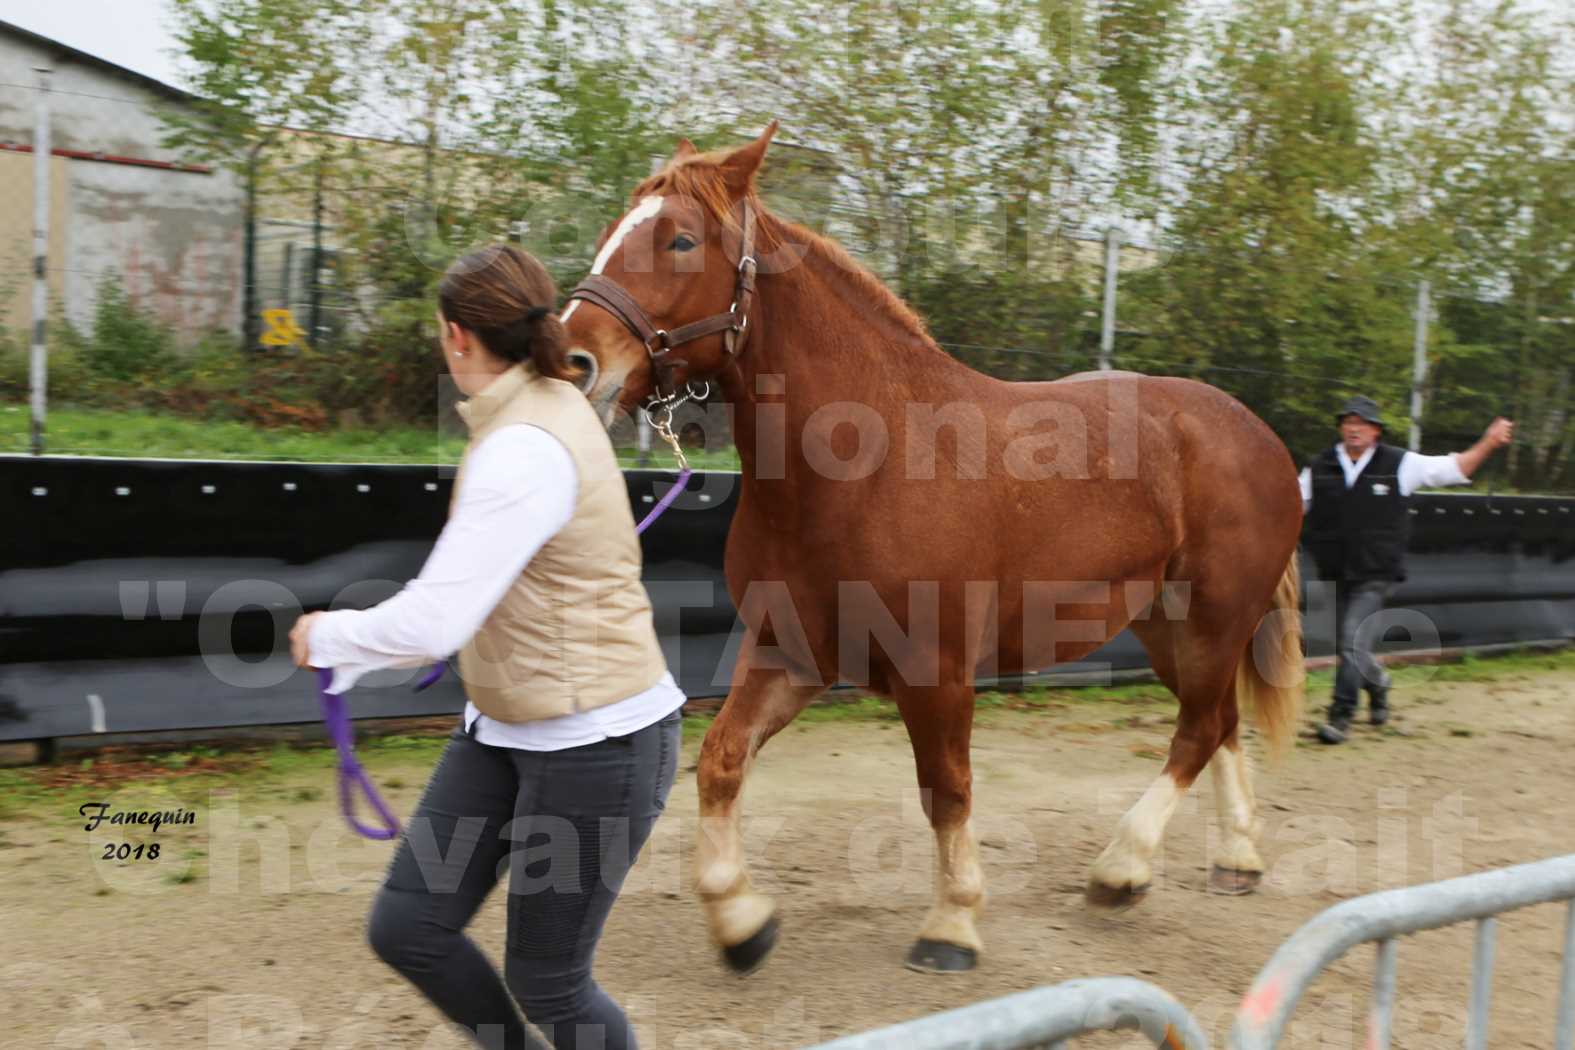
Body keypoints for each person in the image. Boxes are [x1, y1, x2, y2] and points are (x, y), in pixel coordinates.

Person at [288, 244, 685, 1050]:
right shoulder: (539, 404)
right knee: (408, 927)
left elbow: (435, 622)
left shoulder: (521, 446)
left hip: (596, 743)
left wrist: (329, 636)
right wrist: (357, 655)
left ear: (456, 338)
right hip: (509, 725)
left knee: (549, 984)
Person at [1301, 395, 1513, 744]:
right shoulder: (1319, 467)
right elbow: (1290, 505)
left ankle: (1339, 718)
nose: (1355, 428)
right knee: (1348, 646)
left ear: (1376, 431)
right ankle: (1379, 684)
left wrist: (1489, 442)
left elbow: (1456, 468)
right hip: (1333, 571)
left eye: (1363, 423)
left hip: (1376, 574)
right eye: (1349, 422)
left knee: (1353, 638)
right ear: (1341, 427)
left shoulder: (1400, 463)